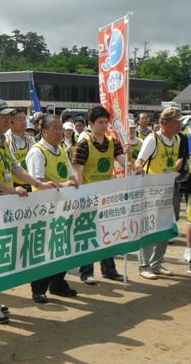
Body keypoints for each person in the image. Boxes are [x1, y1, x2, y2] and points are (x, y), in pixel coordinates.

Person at [0, 99, 56, 323]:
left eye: (10, 116)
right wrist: (10, 190)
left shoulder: (0, 140)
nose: (8, 120)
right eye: (3, 116)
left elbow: (15, 168)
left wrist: (39, 183)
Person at [73, 106, 129, 284]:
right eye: (100, 122)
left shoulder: (113, 142)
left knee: (108, 233)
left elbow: (123, 163)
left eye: (106, 122)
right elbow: (78, 172)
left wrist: (129, 155)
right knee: (88, 234)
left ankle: (109, 270)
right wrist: (80, 195)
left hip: (107, 196)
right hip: (89, 195)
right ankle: (86, 272)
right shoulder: (83, 144)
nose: (104, 126)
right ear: (91, 124)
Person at [26, 114, 78, 303]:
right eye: (55, 128)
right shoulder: (37, 152)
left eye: (60, 127)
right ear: (44, 130)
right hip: (44, 209)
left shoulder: (62, 150)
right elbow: (37, 182)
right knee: (46, 248)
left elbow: (72, 176)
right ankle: (38, 287)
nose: (59, 132)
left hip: (64, 206)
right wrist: (64, 185)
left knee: (65, 245)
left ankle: (58, 281)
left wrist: (73, 183)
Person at [135, 107, 184, 279]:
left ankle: (157, 263)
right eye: (177, 122)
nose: (179, 125)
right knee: (149, 228)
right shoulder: (153, 139)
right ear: (165, 123)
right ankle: (144, 265)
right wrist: (139, 170)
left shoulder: (176, 139)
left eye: (180, 122)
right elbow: (139, 160)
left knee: (165, 227)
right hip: (150, 192)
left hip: (167, 191)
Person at [6, 109, 36, 192]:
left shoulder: (31, 140)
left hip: (31, 185)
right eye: (19, 119)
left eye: (24, 119)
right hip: (14, 187)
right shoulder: (6, 141)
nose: (24, 122)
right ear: (10, 123)